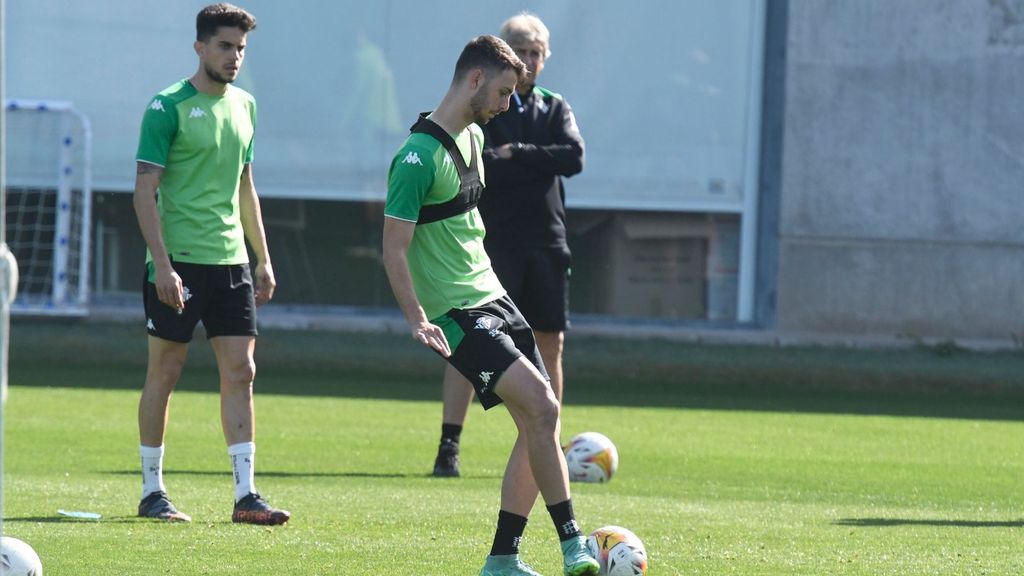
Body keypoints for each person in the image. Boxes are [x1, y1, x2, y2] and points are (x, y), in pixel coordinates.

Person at [382, 34, 599, 576]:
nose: (507, 105)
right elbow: (393, 248)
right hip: (456, 314)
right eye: (504, 92)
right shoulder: (416, 157)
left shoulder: (475, 138)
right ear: (475, 79)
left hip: (493, 296)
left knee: (538, 419)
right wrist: (417, 319)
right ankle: (573, 544)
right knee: (544, 408)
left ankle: (503, 558)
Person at [132, 3, 289, 526]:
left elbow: (246, 187)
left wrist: (262, 258)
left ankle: (246, 496)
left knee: (242, 372)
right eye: (225, 46)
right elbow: (144, 190)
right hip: (177, 261)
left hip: (231, 263)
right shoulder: (167, 106)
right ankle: (152, 491)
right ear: (200, 47)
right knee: (167, 370)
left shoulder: (246, 105)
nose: (234, 56)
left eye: (241, 48)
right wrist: (162, 265)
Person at [432, 12, 585, 479]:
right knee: (472, 342)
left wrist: (519, 154)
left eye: (537, 52)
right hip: (496, 242)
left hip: (547, 239)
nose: (530, 60)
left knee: (549, 343)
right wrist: (536, 162)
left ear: (545, 57)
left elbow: (573, 157)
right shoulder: (488, 108)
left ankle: (549, 443)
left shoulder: (554, 107)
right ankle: (448, 445)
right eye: (522, 52)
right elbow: (486, 168)